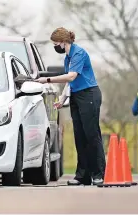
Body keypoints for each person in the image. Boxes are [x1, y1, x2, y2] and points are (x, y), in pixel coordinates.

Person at [35, 27, 106, 186]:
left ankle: (98, 174)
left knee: (91, 135)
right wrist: (63, 98)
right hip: (76, 96)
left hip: (89, 95)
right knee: (80, 137)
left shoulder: (78, 53)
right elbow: (70, 82)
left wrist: (47, 80)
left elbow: (72, 76)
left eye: (55, 44)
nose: (55, 47)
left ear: (63, 42)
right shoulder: (68, 58)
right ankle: (83, 176)